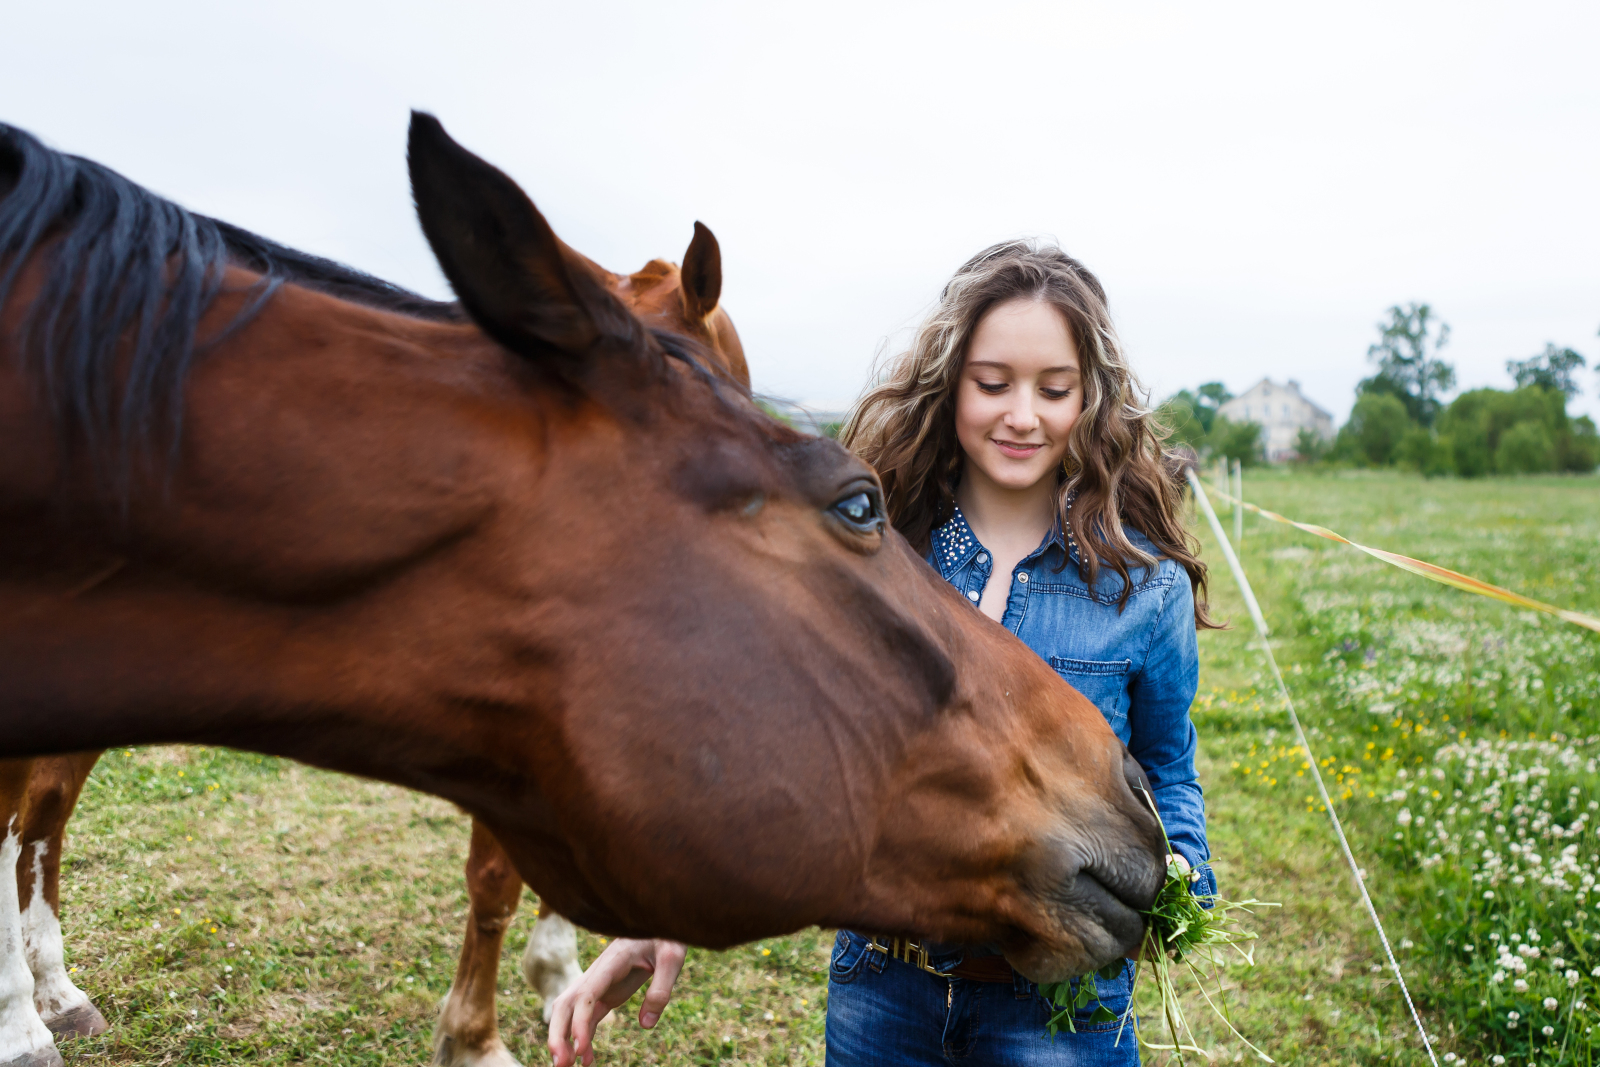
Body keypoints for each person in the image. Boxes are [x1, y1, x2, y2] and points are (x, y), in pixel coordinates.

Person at [547, 240, 1217, 1067]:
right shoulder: (880, 551)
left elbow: (1166, 765)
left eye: (1054, 389)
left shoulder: (1140, 585)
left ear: (1091, 396)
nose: (1022, 415)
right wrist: (663, 915)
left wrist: (1180, 883)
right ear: (950, 381)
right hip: (883, 986)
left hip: (1060, 1007)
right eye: (993, 382)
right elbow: (789, 748)